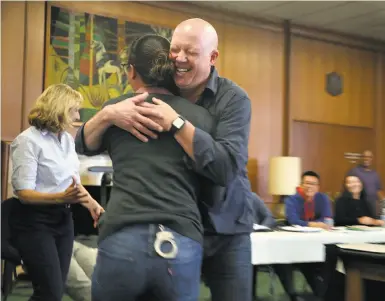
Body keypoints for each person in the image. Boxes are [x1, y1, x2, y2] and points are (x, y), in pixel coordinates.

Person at [77, 18, 255, 301]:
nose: (180, 59)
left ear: (212, 57)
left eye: (191, 53)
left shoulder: (233, 100)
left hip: (225, 226)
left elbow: (226, 166)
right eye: (175, 50)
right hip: (180, 225)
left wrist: (178, 123)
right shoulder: (148, 99)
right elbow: (83, 143)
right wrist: (108, 114)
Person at [9, 84, 104, 301]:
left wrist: (92, 205)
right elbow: (24, 193)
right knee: (49, 293)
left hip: (63, 220)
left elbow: (73, 184)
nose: (78, 115)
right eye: (74, 110)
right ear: (58, 109)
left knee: (55, 292)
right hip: (33, 222)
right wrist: (60, 197)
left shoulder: (66, 141)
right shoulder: (28, 141)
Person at [275, 171, 335, 301]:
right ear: (301, 185)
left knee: (332, 251)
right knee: (284, 257)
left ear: (318, 187)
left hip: (317, 243)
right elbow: (293, 220)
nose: (310, 187)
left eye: (313, 184)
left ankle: (323, 292)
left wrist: (316, 224)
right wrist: (314, 224)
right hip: (294, 244)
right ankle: (293, 295)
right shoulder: (291, 200)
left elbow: (327, 219)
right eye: (307, 183)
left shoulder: (322, 198)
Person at [347, 150, 385, 217]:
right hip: (360, 206)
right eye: (364, 156)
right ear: (361, 158)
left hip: (373, 207)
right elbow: (347, 188)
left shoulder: (375, 174)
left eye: (369, 157)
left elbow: (378, 190)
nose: (366, 159)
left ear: (372, 159)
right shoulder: (354, 171)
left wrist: (383, 202)